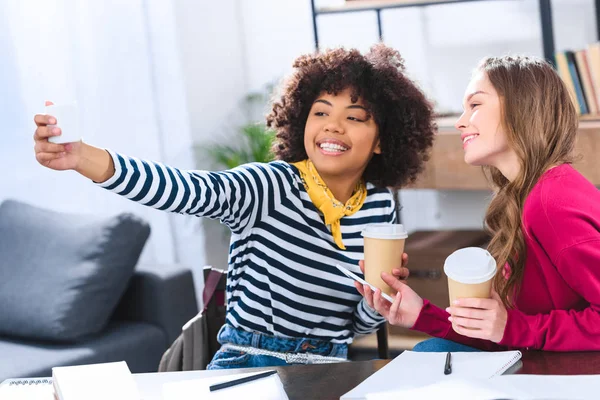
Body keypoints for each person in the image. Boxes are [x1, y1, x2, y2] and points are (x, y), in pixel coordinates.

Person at [33, 44, 436, 367]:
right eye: (320, 112)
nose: (333, 125)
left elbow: (356, 326)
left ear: (383, 140)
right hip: (250, 363)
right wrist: (84, 159)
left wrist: (378, 303)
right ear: (301, 122)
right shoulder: (269, 185)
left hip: (329, 368)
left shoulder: (378, 205)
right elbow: (183, 190)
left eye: (355, 117)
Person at [358, 55, 600, 352]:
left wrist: (512, 328)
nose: (460, 123)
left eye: (475, 105)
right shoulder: (531, 195)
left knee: (428, 356)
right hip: (541, 356)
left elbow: (515, 331)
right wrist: (420, 314)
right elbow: (503, 332)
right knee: (428, 352)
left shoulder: (551, 203)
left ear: (519, 108)